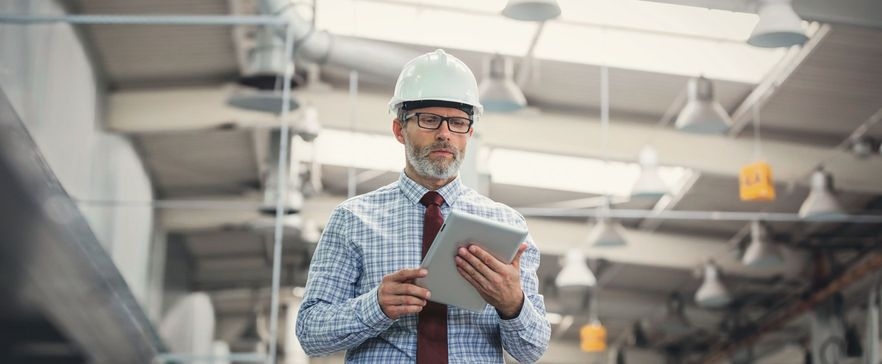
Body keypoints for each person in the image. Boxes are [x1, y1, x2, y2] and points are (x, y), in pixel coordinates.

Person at [295, 49, 550, 363]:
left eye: (457, 122)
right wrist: (375, 306)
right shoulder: (352, 220)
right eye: (429, 120)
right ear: (399, 130)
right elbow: (309, 332)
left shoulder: (508, 227)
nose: (444, 134)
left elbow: (533, 349)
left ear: (469, 133)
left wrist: (513, 304)